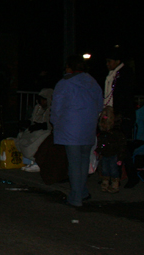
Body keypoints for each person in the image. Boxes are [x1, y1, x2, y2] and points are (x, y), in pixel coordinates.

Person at [50, 55, 103, 207]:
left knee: (74, 163)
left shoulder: (65, 83)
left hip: (70, 127)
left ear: (70, 67)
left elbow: (57, 107)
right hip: (88, 128)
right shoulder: (92, 82)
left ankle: (76, 197)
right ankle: (82, 192)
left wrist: (55, 123)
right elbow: (100, 105)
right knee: (84, 161)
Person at [15, 87, 53, 171]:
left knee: (37, 140)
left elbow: (52, 124)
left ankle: (37, 162)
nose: (42, 102)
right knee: (22, 136)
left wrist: (42, 125)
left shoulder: (52, 109)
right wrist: (28, 122)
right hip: (36, 130)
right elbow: (33, 119)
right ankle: (29, 161)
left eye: (44, 100)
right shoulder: (38, 108)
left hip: (47, 132)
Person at [96, 106, 127, 193]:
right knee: (104, 170)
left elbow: (122, 146)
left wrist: (120, 158)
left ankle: (115, 185)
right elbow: (101, 143)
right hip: (105, 154)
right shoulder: (103, 133)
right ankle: (105, 184)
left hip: (114, 154)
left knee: (114, 170)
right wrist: (98, 151)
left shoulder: (116, 133)